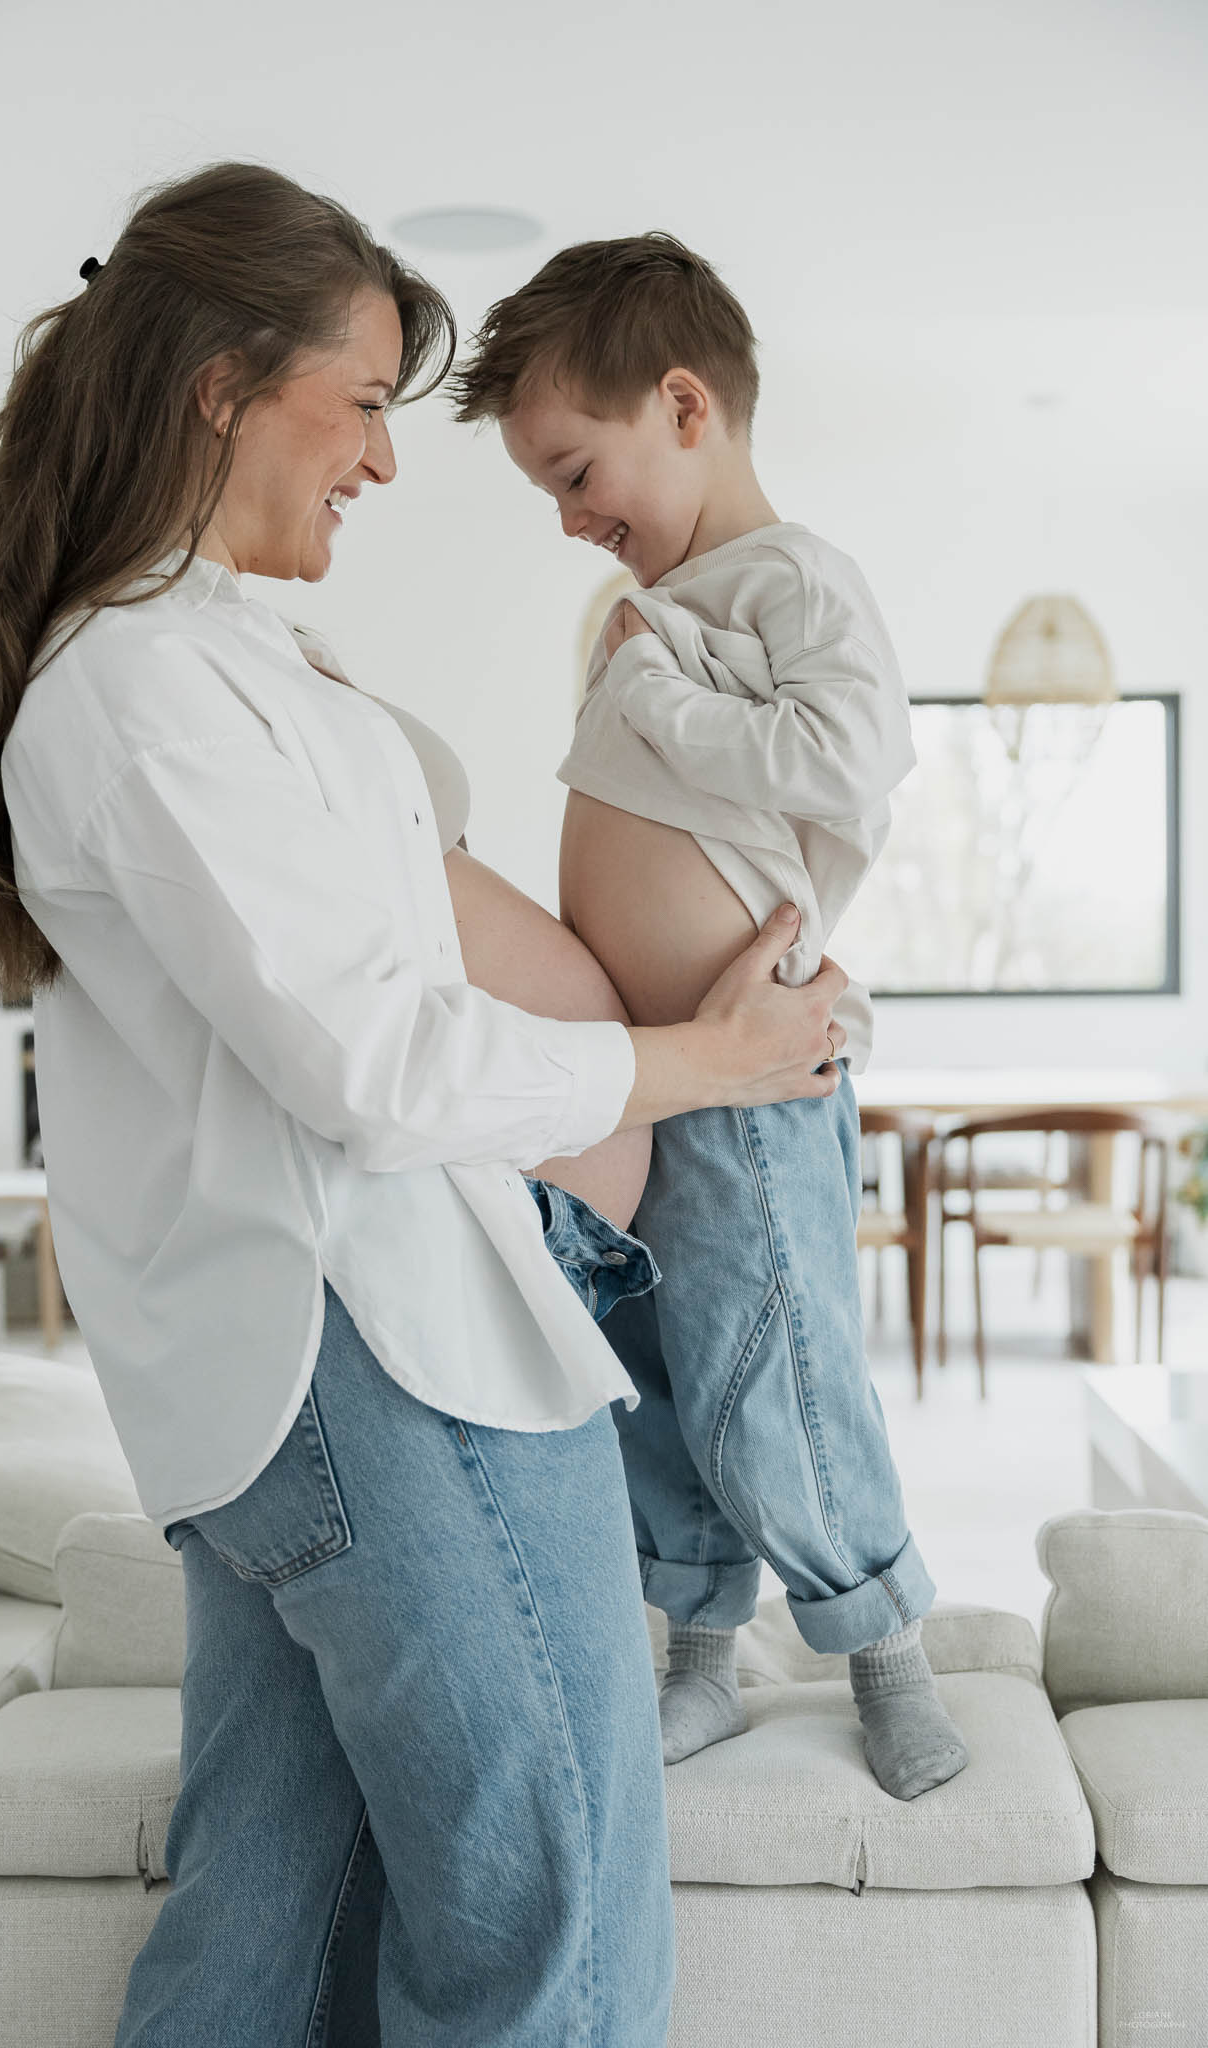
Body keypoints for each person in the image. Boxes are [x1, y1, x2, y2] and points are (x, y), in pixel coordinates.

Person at [0, 165, 848, 2045]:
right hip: (381, 1354)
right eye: (358, 407)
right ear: (220, 387)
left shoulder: (213, 648)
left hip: (344, 1354)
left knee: (276, 1911)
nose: (382, 465)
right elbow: (377, 1057)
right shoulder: (147, 683)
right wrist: (701, 1063)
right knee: (552, 1921)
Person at [449, 231, 970, 1801]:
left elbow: (844, 763)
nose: (568, 517)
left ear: (685, 406)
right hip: (649, 1083)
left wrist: (650, 686)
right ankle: (698, 1657)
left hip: (747, 1081)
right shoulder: (668, 603)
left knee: (776, 1362)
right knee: (655, 1366)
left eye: (575, 468)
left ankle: (879, 1636)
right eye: (546, 490)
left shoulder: (789, 579)